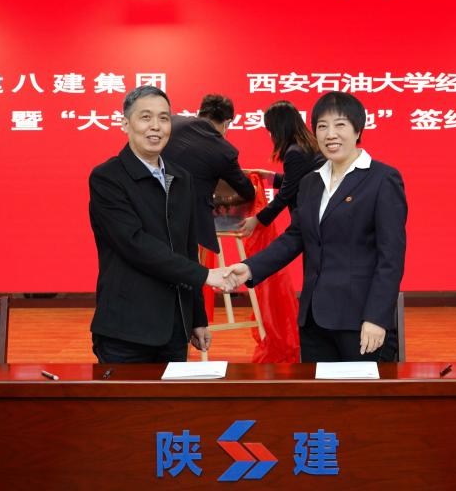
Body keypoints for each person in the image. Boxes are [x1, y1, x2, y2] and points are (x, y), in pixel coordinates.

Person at [228, 92, 407, 362]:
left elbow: (391, 258)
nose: (330, 134)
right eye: (322, 126)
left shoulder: (383, 179)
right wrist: (250, 268)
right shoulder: (311, 182)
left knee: (362, 391)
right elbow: (295, 237)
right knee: (318, 390)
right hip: (314, 321)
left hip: (360, 322)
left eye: (340, 125)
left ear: (358, 129)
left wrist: (376, 317)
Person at [88, 86, 234, 363]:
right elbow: (135, 245)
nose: (155, 126)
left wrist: (197, 318)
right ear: (125, 124)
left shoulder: (182, 178)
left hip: (174, 329)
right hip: (126, 330)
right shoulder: (107, 178)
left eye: (164, 118)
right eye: (145, 117)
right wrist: (205, 275)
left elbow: (188, 249)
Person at [163, 94, 255, 253]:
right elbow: (247, 191)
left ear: (201, 112)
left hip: (148, 213)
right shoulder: (224, 151)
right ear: (227, 123)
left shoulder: (171, 122)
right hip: (188, 228)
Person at [237, 100, 325, 237]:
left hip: (313, 221)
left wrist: (256, 219)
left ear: (278, 129)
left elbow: (285, 194)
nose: (271, 135)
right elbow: (299, 180)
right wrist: (269, 176)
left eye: (270, 130)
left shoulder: (295, 152)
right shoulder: (310, 144)